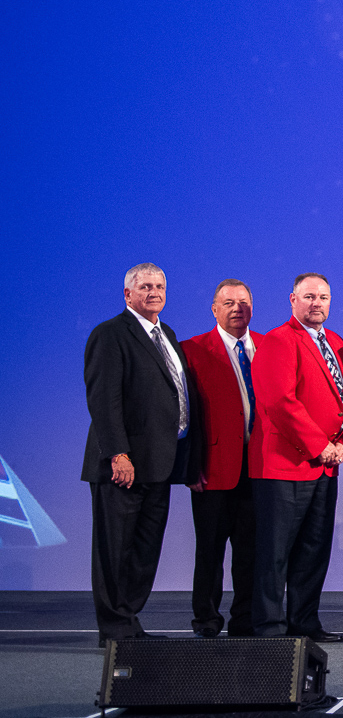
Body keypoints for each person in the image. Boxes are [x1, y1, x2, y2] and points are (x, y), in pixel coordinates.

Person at [83, 263, 202, 645]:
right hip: (125, 465)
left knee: (145, 550)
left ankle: (128, 621)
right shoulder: (110, 334)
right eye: (145, 286)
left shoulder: (166, 333)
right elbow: (104, 401)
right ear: (127, 294)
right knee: (115, 549)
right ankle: (114, 629)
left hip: (160, 464)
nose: (154, 292)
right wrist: (118, 453)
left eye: (160, 286)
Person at [251, 273, 343, 642]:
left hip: (325, 468)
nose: (317, 303)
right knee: (275, 554)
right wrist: (318, 445)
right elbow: (279, 401)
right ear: (293, 299)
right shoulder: (278, 340)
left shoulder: (336, 342)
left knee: (313, 552)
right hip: (284, 467)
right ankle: (270, 628)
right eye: (309, 297)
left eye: (323, 297)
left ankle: (304, 623)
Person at [180, 279, 258, 638]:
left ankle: (244, 619)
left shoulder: (267, 346)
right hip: (211, 470)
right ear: (214, 309)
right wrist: (189, 466)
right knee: (209, 553)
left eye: (243, 302)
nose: (237, 308)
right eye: (229, 303)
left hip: (258, 470)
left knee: (250, 553)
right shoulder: (192, 350)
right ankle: (207, 620)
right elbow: (184, 415)